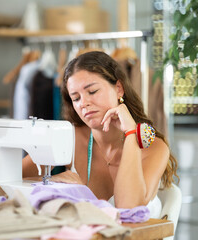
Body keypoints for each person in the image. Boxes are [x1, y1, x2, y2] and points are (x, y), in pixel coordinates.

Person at [23, 51, 178, 218]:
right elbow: (9, 181)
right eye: (76, 98)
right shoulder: (70, 138)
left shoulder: (153, 147)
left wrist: (131, 133)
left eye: (92, 91)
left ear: (118, 89)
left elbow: (128, 207)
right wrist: (54, 184)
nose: (84, 103)